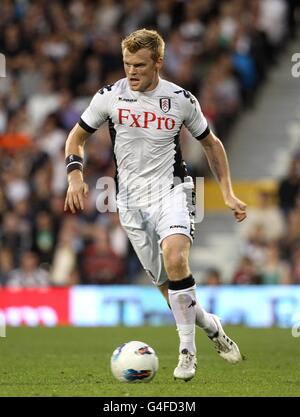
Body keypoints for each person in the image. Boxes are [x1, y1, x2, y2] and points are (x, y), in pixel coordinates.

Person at [64, 29, 247, 381]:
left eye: (140, 65)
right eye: (127, 64)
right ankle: (211, 326)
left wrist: (226, 191)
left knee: (176, 257)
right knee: (169, 287)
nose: (131, 72)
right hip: (130, 202)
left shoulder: (180, 100)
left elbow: (211, 144)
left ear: (158, 63)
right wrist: (75, 175)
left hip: (173, 191)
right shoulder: (110, 97)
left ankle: (187, 354)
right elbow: (77, 136)